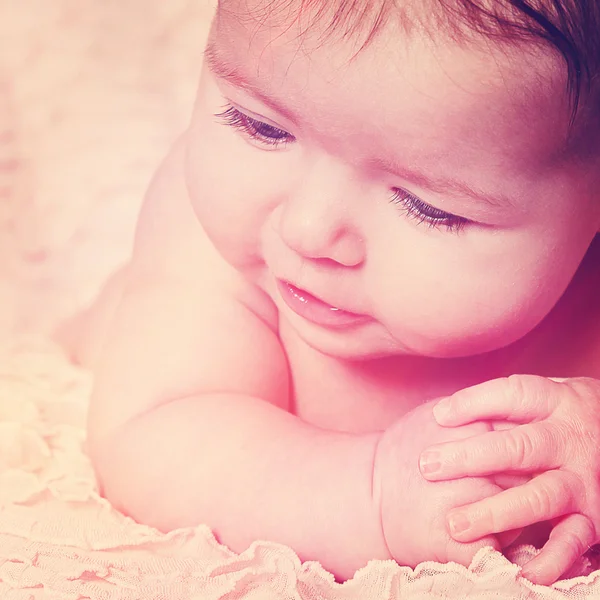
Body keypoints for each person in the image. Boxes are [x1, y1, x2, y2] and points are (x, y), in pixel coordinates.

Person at [60, 0, 600, 586]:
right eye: (261, 126)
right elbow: (154, 438)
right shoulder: (210, 247)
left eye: (427, 207)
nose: (308, 231)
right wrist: (371, 494)